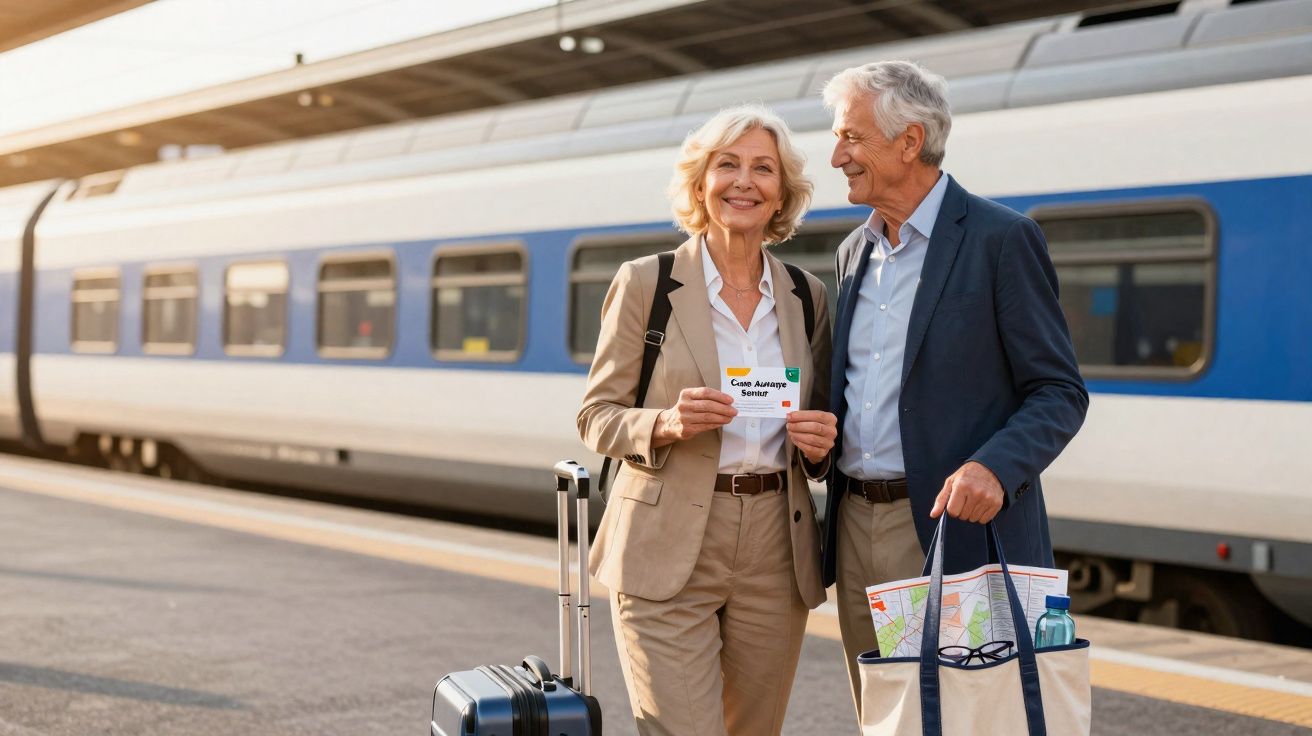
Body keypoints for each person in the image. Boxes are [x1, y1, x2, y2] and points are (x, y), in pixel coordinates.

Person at [818, 60, 1089, 717]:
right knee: (885, 713)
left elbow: (1058, 390)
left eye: (851, 137)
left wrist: (994, 467)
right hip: (856, 521)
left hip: (948, 530)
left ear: (909, 141)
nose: (835, 156)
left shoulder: (1002, 240)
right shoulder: (854, 251)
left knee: (969, 712)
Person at [577, 104, 838, 736]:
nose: (744, 181)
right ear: (701, 183)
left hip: (777, 542)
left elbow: (826, 427)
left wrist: (821, 445)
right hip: (665, 539)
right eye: (727, 164)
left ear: (783, 194)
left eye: (763, 168)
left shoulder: (807, 295)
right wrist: (664, 423)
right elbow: (595, 417)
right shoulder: (647, 282)